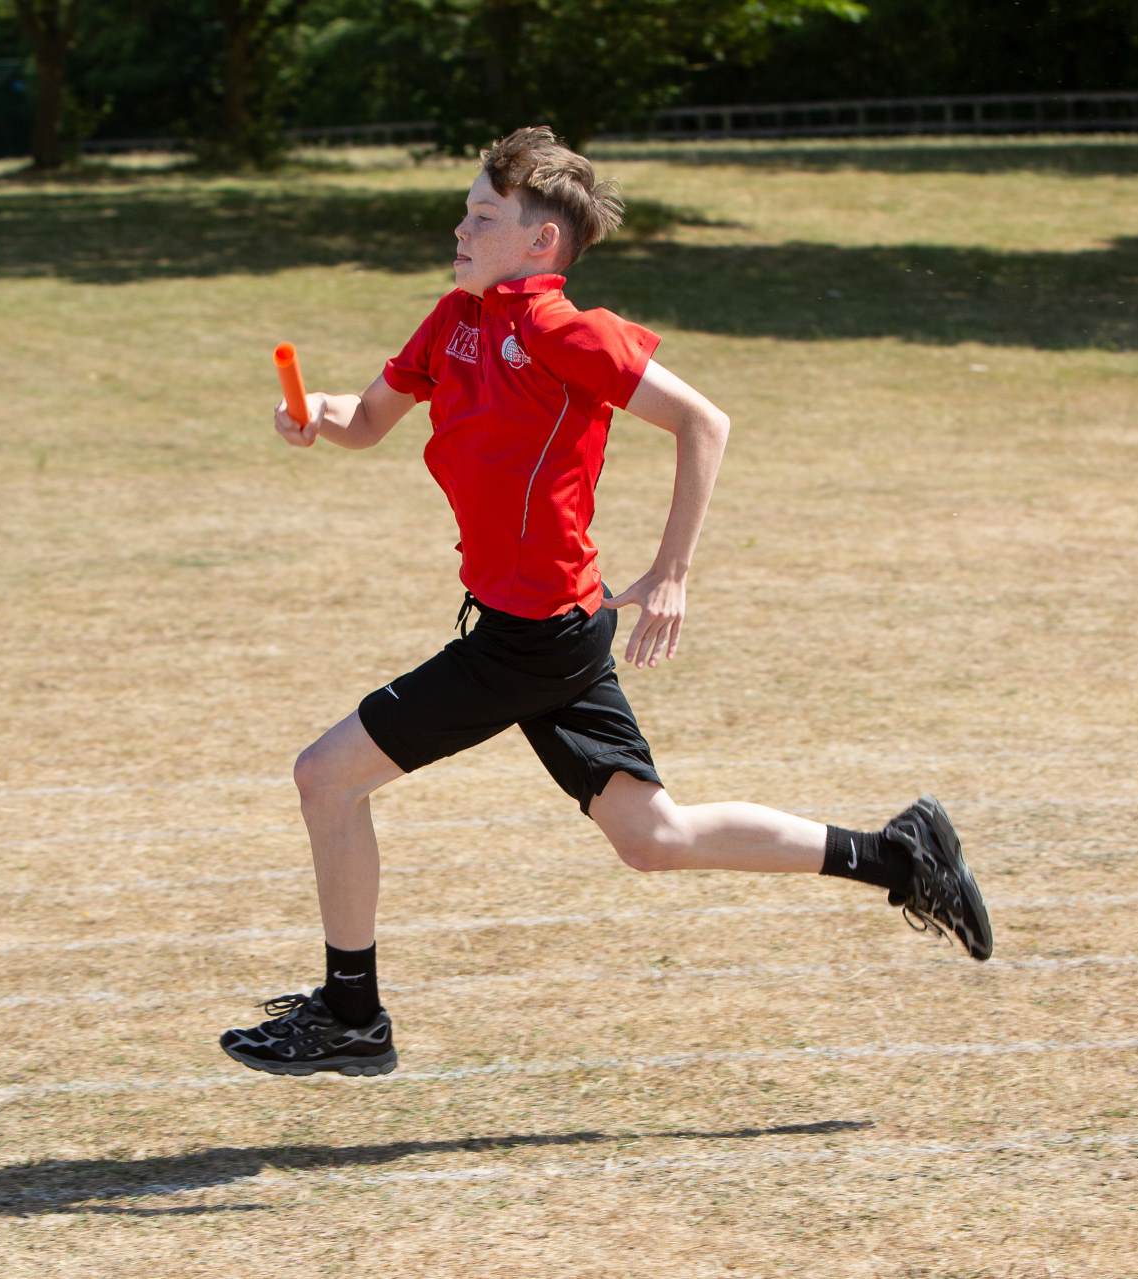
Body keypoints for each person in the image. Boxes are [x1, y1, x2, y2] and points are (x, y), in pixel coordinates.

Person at [219, 126, 993, 1079]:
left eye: (483, 217)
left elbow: (704, 421)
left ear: (540, 242)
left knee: (325, 776)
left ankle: (351, 1013)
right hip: (552, 631)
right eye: (464, 212)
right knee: (652, 837)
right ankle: (902, 857)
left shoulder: (561, 331)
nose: (460, 229)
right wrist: (314, 415)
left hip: (532, 641)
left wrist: (673, 571)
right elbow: (368, 418)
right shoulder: (454, 320)